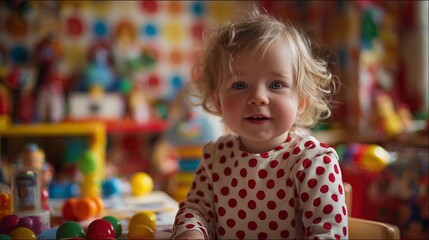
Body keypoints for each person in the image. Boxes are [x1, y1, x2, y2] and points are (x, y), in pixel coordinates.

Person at [171, 7, 348, 240]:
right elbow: (196, 210)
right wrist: (191, 233)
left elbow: (327, 233)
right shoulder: (215, 156)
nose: (258, 97)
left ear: (301, 101)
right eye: (239, 85)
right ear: (218, 101)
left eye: (276, 85)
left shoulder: (313, 161)